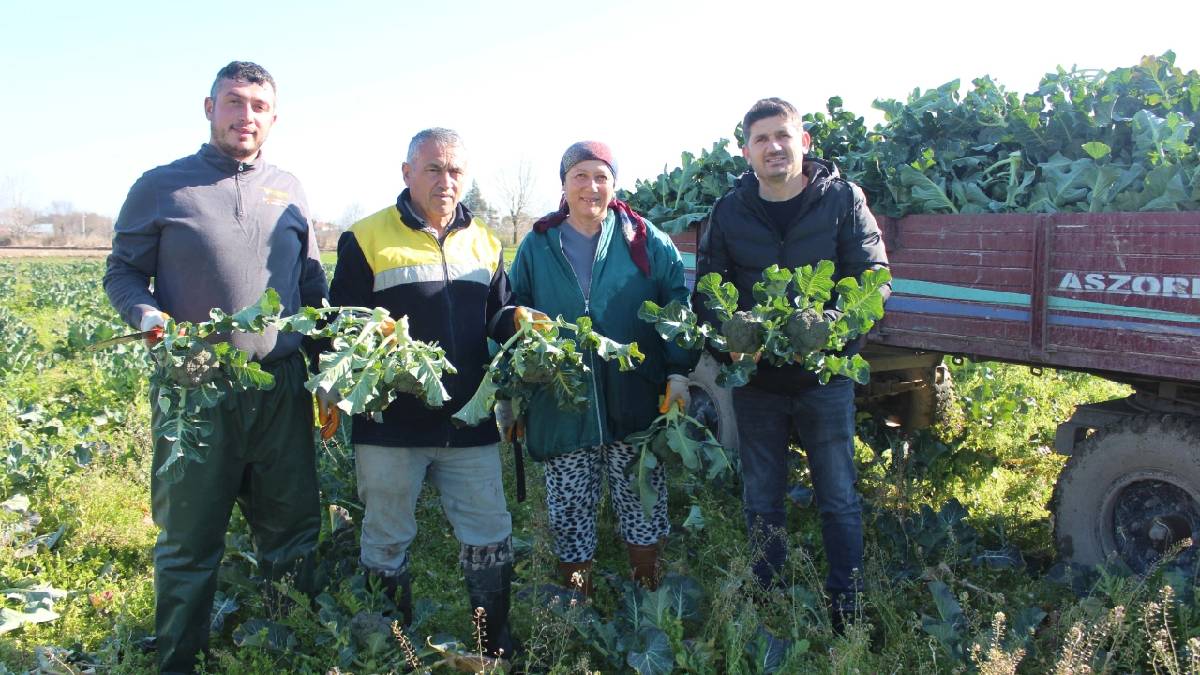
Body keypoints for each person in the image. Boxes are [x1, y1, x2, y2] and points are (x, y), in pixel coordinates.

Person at [103, 61, 328, 674]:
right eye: (234, 102)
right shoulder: (161, 186)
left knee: (291, 529)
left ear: (273, 117)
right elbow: (122, 271)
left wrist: (331, 358)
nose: (245, 116)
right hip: (195, 388)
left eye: (259, 106)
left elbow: (310, 283)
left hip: (280, 389)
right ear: (209, 108)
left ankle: (286, 653)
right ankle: (179, 660)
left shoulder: (290, 187)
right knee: (189, 539)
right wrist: (147, 314)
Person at [326, 128, 522, 659]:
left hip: (469, 420)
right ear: (407, 172)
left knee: (489, 534)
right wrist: (376, 336)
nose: (446, 180)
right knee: (387, 538)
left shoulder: (484, 238)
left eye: (456, 170)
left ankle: (493, 646)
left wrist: (519, 320)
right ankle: (394, 651)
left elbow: (497, 314)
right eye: (433, 168)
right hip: (390, 426)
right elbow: (339, 325)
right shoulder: (365, 237)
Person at [694, 98, 890, 628]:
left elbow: (874, 279)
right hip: (757, 382)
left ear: (804, 142)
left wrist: (832, 330)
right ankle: (767, 599)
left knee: (838, 495)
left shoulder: (842, 200)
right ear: (745, 151)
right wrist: (730, 341)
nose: (773, 147)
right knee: (762, 497)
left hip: (822, 381)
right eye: (761, 139)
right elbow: (708, 294)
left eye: (783, 136)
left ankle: (846, 605)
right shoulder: (729, 211)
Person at [506, 141, 696, 595]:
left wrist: (678, 373)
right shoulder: (537, 244)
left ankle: (646, 592)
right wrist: (511, 392)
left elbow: (678, 307)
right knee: (569, 502)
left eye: (601, 177)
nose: (591, 187)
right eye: (580, 176)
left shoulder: (647, 240)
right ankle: (577, 601)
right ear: (564, 184)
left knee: (641, 495)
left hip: (635, 393)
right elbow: (512, 312)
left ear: (613, 184)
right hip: (562, 397)